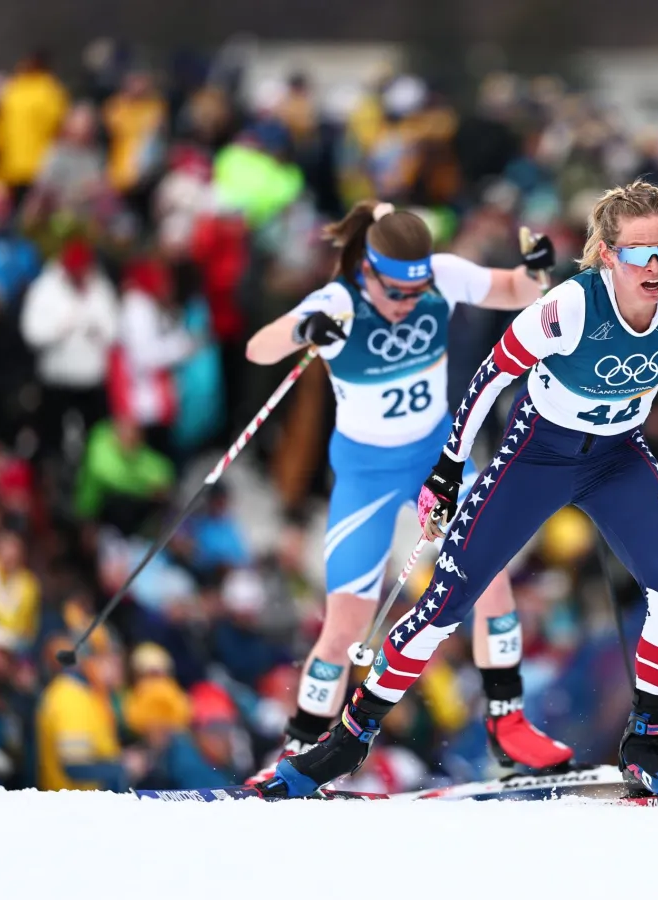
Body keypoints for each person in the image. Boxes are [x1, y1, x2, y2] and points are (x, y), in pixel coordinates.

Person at [262, 180, 658, 800]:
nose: (657, 266)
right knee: (448, 603)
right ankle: (348, 737)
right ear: (609, 255)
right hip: (539, 455)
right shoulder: (569, 308)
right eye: (639, 253)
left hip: (618, 457)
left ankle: (646, 742)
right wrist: (450, 470)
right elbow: (488, 379)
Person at [244, 199, 570, 783]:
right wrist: (301, 329)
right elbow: (258, 348)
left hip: (435, 459)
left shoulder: (437, 275)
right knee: (345, 626)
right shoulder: (340, 301)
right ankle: (297, 756)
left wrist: (539, 266)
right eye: (395, 292)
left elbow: (518, 289)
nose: (405, 305)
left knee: (492, 582)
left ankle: (509, 725)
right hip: (365, 475)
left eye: (416, 293)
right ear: (369, 271)